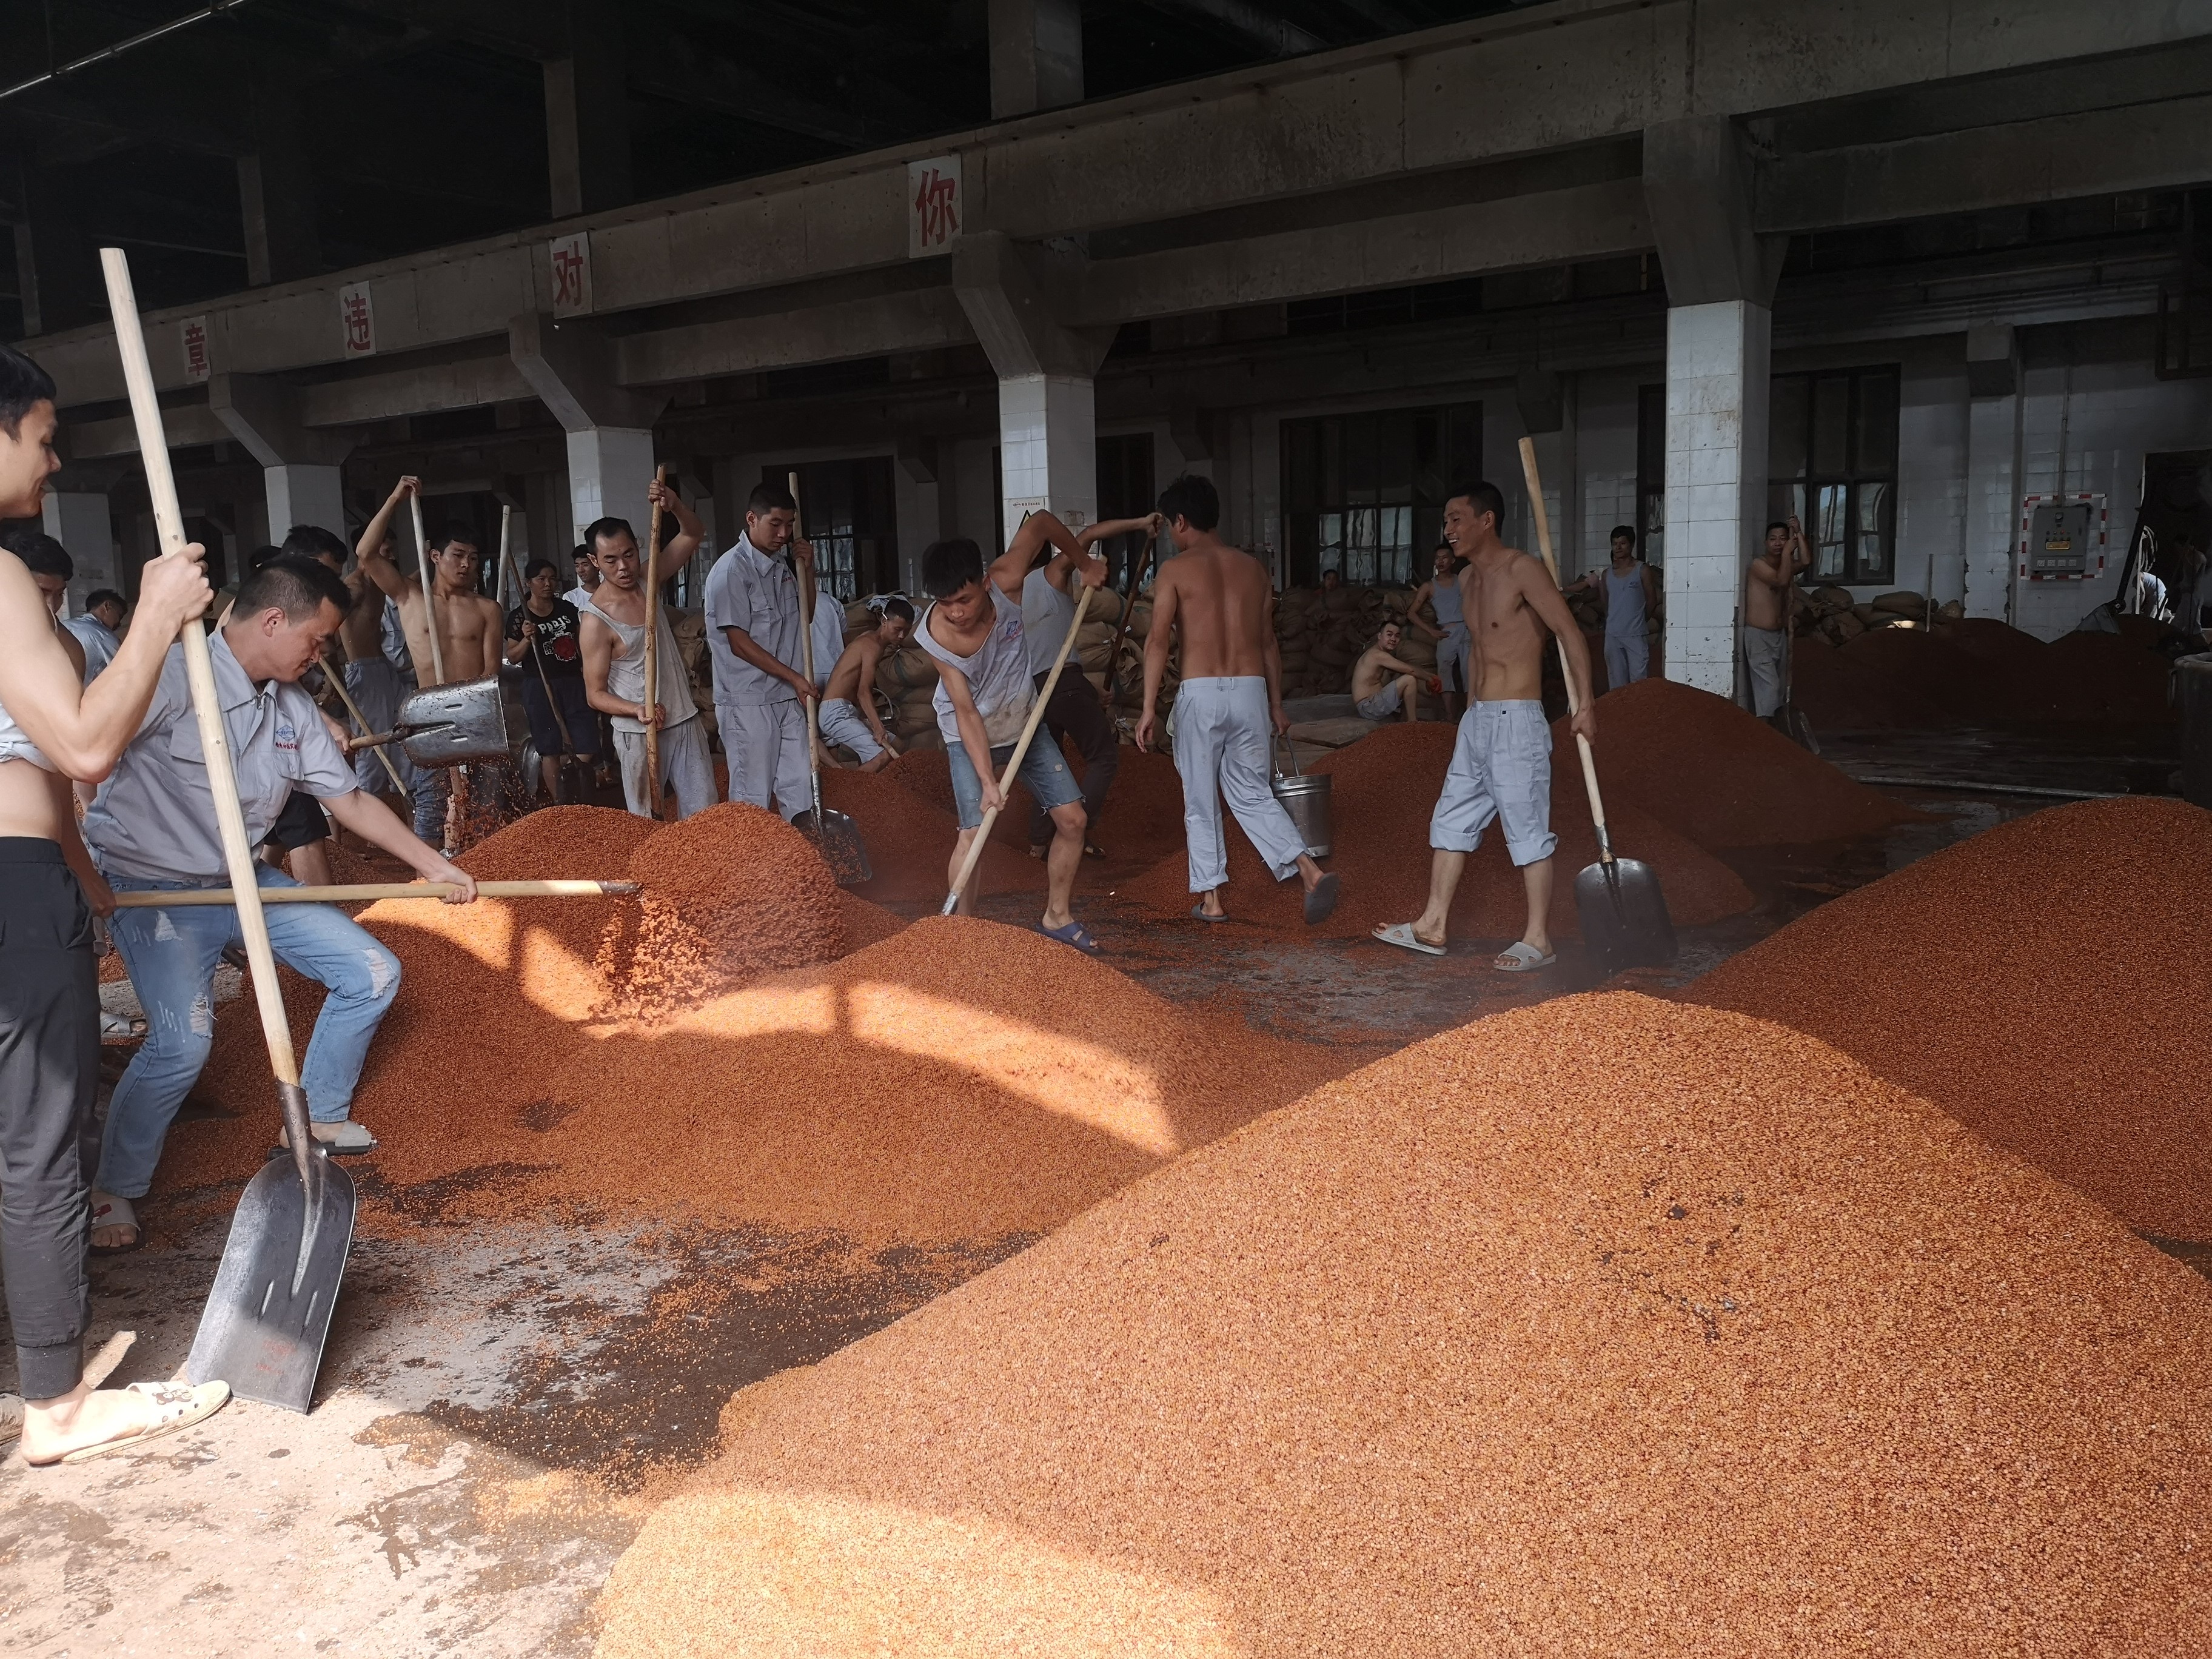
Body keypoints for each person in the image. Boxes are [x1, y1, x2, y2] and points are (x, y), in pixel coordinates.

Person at [84, 554, 480, 1255]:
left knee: (372, 972)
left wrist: (435, 867)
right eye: (317, 638)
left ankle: (319, 1116)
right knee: (183, 1041)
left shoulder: (290, 706)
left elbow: (349, 800)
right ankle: (114, 1186)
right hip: (158, 894)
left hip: (246, 883)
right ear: (272, 621)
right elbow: (83, 757)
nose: (322, 652)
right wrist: (84, 868)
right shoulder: (171, 679)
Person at [0, 344, 231, 1465]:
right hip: (7, 882)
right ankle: (59, 1406)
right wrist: (153, 612)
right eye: (42, 437)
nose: (50, 464)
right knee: (40, 1144)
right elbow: (86, 743)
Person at [1372, 481, 1594, 973]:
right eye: (1446, 521)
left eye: (1456, 519)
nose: (1447, 530)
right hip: (1479, 721)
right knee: (1450, 819)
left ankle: (1539, 939)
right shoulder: (1468, 581)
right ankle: (1433, 925)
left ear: (1486, 519)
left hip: (1518, 719)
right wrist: (1469, 712)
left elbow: (1569, 633)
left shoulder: (1522, 570)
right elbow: (1476, 651)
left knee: (1527, 828)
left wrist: (1587, 706)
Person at [1136, 474, 1339, 926]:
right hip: (1250, 691)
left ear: (1182, 520)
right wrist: (1276, 705)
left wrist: (1149, 708)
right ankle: (1309, 870)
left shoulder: (1175, 571)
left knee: (1200, 798)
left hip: (1201, 692)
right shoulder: (1254, 570)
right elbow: (1269, 644)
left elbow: (1156, 643)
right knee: (1253, 792)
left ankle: (1212, 900)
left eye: (1171, 525)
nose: (1171, 534)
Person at [919, 517, 1100, 953]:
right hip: (970, 735)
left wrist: (1083, 563)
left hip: (1023, 724)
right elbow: (965, 711)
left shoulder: (1008, 579)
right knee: (974, 834)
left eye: (963, 599)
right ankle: (963, 935)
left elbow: (1039, 524)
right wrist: (987, 781)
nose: (956, 613)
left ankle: (1057, 916)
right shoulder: (936, 636)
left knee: (1074, 820)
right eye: (946, 604)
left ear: (983, 582)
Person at [353, 479, 504, 849]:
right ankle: (430, 879)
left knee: (486, 802)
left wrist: (469, 714)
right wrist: (393, 499)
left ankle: (486, 867)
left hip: (477, 711)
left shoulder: (488, 609)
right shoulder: (409, 596)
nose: (466, 564)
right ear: (435, 556)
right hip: (428, 711)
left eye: (473, 557)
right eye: (458, 555)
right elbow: (367, 554)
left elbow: (491, 671)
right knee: (432, 803)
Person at [1022, 510, 1159, 859]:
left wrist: (1092, 691)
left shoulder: (1009, 593)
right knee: (1104, 758)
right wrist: (1140, 523)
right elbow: (1091, 533)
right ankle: (1077, 828)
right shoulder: (1051, 575)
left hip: (1036, 692)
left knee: (1049, 766)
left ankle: (1038, 841)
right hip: (1063, 685)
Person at [580, 486, 714, 819]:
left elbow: (694, 533)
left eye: (628, 554)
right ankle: (654, 873)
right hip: (638, 733)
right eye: (610, 560)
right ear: (595, 562)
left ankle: (703, 871)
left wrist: (676, 505)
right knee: (647, 820)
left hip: (683, 718)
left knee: (704, 815)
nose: (623, 567)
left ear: (637, 547)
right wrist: (636, 709)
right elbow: (594, 695)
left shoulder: (647, 579)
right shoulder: (596, 622)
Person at [703, 481, 819, 816]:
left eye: (790, 524)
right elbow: (740, 645)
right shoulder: (730, 572)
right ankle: (745, 866)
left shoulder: (784, 566)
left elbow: (806, 616)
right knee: (751, 793)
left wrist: (808, 569)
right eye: (776, 524)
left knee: (800, 788)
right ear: (752, 519)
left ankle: (798, 861)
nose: (784, 533)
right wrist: (796, 679)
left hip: (784, 697)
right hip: (748, 701)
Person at [505, 557, 599, 801]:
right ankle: (561, 805)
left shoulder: (567, 610)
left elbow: (583, 645)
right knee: (550, 749)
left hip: (573, 682)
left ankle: (579, 796)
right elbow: (513, 657)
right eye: (541, 579)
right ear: (528, 583)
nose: (548, 584)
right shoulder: (519, 618)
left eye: (552, 578)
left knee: (587, 742)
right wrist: (527, 638)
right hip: (540, 686)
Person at [816, 596, 912, 772]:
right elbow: (863, 692)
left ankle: (883, 792)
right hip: (834, 713)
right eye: (898, 629)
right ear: (884, 621)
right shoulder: (872, 646)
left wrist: (864, 718)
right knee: (881, 756)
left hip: (847, 710)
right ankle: (850, 794)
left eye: (906, 631)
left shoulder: (873, 640)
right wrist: (878, 727)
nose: (902, 636)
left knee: (897, 744)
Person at [1568, 524, 1661, 689]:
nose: (1618, 547)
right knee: (1617, 687)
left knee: (1640, 685)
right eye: (1614, 544)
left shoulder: (1642, 570)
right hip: (1613, 637)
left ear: (1631, 545)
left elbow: (1651, 600)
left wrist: (1640, 620)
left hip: (1635, 636)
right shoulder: (1607, 575)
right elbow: (1606, 605)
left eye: (1622, 543)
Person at [1744, 517, 1810, 717]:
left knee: (1779, 688)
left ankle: (1775, 732)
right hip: (1759, 636)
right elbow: (1781, 581)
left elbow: (1806, 561)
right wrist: (1789, 552)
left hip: (1779, 636)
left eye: (1783, 538)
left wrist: (1798, 533)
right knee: (1769, 687)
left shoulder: (1786, 564)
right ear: (1766, 543)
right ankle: (1767, 730)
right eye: (1773, 539)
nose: (1779, 543)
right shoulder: (1758, 565)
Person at [1407, 542, 1469, 718]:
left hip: (1466, 631)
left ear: (1453, 560)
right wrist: (1431, 632)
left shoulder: (1462, 580)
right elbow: (1411, 613)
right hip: (1445, 634)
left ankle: (1471, 714)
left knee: (1469, 674)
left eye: (1445, 558)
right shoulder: (1429, 587)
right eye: (1437, 558)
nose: (1440, 561)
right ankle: (1450, 717)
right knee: (1444, 676)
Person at [1350, 617, 1427, 723]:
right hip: (1369, 707)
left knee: (1402, 678)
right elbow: (1411, 670)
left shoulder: (1377, 653)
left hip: (1370, 704)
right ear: (1380, 636)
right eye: (1389, 635)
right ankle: (1413, 723)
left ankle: (1404, 719)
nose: (1393, 639)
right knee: (1409, 679)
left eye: (1397, 636)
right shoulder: (1378, 655)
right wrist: (1431, 678)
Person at [65, 589, 126, 682]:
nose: (119, 623)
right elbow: (124, 671)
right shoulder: (103, 636)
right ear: (107, 606)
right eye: (119, 615)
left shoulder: (65, 625)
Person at [565, 543, 601, 610]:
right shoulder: (571, 598)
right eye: (577, 566)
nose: (580, 570)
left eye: (585, 565)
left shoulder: (610, 593)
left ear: (596, 565)